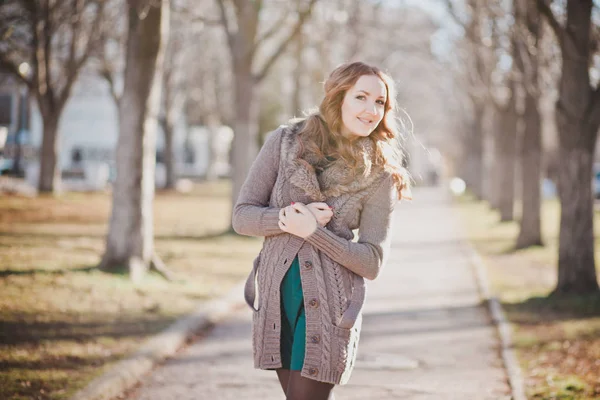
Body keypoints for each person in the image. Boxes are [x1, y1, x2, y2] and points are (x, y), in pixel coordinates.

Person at [232, 61, 411, 400]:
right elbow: (243, 216)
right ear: (337, 97)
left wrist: (313, 231)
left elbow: (372, 262)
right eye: (361, 97)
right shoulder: (284, 143)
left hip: (330, 307)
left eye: (379, 103)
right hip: (277, 298)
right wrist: (285, 218)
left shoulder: (380, 174)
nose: (371, 110)